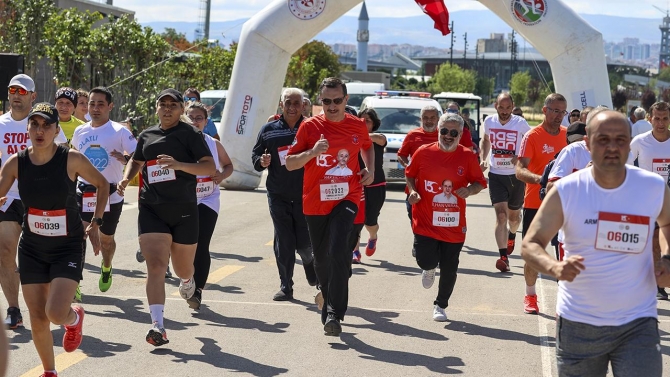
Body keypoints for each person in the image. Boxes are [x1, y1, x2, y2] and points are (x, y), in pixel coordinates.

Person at [521, 109, 670, 377]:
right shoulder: (567, 190)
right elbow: (531, 243)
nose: (612, 147)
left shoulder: (653, 187)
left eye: (620, 140)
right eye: (603, 139)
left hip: (638, 323)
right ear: (587, 142)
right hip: (580, 325)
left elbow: (668, 223)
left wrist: (667, 258)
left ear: (630, 143)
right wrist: (554, 267)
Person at [0, 102, 110, 377]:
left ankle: (73, 318)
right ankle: (50, 371)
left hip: (67, 246)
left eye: (46, 125)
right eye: (34, 124)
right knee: (37, 317)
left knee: (55, 314)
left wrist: (96, 222)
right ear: (27, 128)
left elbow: (102, 184)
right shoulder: (16, 163)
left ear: (56, 130)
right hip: (33, 248)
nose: (40, 130)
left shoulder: (70, 158)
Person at [117, 88, 215, 346]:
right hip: (152, 208)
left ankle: (187, 281)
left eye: (174, 104)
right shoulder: (147, 134)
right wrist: (127, 178)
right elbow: (137, 161)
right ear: (157, 108)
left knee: (183, 268)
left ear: (182, 109)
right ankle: (158, 326)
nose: (168, 108)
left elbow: (209, 166)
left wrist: (179, 165)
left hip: (183, 209)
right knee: (156, 266)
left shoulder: (190, 134)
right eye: (163, 104)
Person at [285, 77, 374, 337]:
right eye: (326, 101)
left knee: (339, 250)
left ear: (346, 100)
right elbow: (290, 163)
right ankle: (328, 303)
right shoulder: (309, 127)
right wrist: (312, 152)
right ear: (319, 101)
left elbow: (367, 147)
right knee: (321, 258)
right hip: (315, 202)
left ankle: (334, 313)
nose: (332, 106)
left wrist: (370, 169)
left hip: (348, 197)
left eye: (337, 101)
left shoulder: (357, 126)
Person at [0, 74, 67, 330]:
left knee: (43, 254)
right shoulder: (1, 124)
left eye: (22, 91)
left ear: (33, 96)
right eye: (12, 90)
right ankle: (14, 309)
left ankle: (52, 302)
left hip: (42, 198)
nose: (16, 95)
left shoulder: (45, 123)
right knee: (5, 249)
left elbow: (64, 157)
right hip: (11, 197)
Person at [406, 113, 487, 321]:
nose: (448, 136)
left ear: (460, 134)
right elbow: (410, 174)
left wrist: (469, 191)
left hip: (453, 224)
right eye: (444, 131)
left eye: (453, 132)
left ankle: (440, 305)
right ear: (438, 131)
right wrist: (413, 191)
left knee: (450, 267)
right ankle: (429, 268)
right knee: (425, 260)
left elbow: (480, 182)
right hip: (425, 222)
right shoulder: (423, 153)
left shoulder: (467, 156)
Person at [251, 88, 317, 301]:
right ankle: (286, 285)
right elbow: (256, 153)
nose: (292, 107)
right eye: (288, 102)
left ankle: (309, 262)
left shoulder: (311, 128)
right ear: (281, 104)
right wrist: (261, 161)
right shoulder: (269, 129)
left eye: (296, 103)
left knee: (305, 244)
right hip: (278, 194)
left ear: (304, 105)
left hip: (305, 195)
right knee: (284, 241)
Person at [71, 87, 137, 295]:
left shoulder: (120, 131)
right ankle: (74, 282)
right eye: (92, 103)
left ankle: (106, 266)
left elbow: (138, 157)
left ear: (110, 106)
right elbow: (72, 160)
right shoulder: (80, 131)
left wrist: (126, 162)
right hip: (84, 190)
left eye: (100, 104)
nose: (95, 108)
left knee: (106, 240)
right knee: (79, 235)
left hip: (111, 192)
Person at [516, 93, 568, 314]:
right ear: (545, 110)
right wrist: (541, 180)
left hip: (565, 206)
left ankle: (565, 301)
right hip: (535, 204)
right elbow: (519, 170)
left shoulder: (569, 136)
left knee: (565, 253)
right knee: (534, 253)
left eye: (562, 112)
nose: (559, 116)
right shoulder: (532, 136)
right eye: (555, 111)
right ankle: (530, 295)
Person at [185, 101, 233, 309]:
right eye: (191, 118)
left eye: (199, 118)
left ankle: (197, 291)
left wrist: (222, 175)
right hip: (184, 199)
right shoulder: (178, 143)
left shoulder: (213, 143)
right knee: (184, 245)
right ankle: (186, 278)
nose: (195, 122)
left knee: (201, 243)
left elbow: (229, 165)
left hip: (208, 198)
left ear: (206, 121)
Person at [479, 93, 531, 272]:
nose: (505, 112)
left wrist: (520, 157)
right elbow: (485, 140)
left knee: (513, 218)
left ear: (512, 107)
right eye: (501, 108)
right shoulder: (489, 122)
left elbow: (531, 142)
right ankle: (503, 257)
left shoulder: (520, 123)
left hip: (516, 176)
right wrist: (483, 157)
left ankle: (512, 233)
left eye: (508, 108)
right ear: (496, 106)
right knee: (501, 216)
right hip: (496, 174)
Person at [628, 101, 670, 300]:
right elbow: (625, 166)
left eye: (665, 119)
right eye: (657, 119)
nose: (661, 123)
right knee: (653, 242)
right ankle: (657, 284)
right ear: (650, 119)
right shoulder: (639, 141)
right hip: (648, 201)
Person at [358, 108, 386, 258]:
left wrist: (361, 135)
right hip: (357, 184)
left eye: (367, 120)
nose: (363, 122)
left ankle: (373, 237)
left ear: (374, 123)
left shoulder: (379, 138)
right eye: (360, 119)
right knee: (354, 220)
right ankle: (355, 251)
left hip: (376, 185)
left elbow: (380, 139)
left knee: (369, 221)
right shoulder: (354, 138)